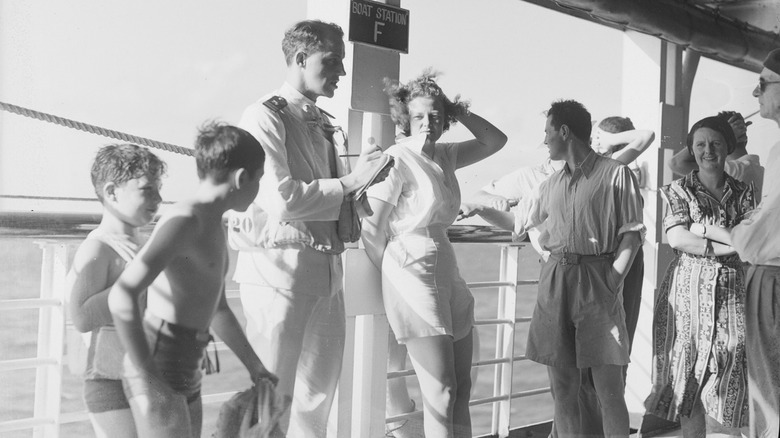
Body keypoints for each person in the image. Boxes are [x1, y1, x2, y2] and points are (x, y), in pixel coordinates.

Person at [234, 19, 391, 437]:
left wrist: (364, 178)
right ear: (301, 59)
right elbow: (282, 199)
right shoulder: (263, 116)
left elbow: (336, 202)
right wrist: (352, 181)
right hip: (279, 275)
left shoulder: (325, 122)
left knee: (315, 404)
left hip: (326, 275)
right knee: (272, 398)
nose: (341, 71)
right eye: (333, 61)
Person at [361, 71, 507, 438]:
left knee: (460, 390)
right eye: (419, 117)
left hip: (446, 267)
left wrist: (457, 108)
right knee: (440, 393)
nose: (428, 124)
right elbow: (372, 229)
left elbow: (495, 140)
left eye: (437, 116)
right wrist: (393, 275)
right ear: (404, 121)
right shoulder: (396, 158)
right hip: (411, 269)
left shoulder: (445, 154)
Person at [108, 122, 277, 438]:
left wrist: (255, 367)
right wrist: (150, 378)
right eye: (259, 181)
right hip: (158, 362)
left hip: (188, 366)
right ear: (242, 178)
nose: (259, 191)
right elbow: (122, 294)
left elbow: (219, 309)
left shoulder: (213, 222)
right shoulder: (186, 220)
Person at [509, 100, 644, 437]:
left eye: (547, 132)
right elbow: (517, 222)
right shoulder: (551, 184)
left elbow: (632, 235)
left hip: (597, 280)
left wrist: (612, 280)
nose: (545, 141)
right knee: (563, 390)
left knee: (608, 390)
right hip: (556, 281)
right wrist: (475, 208)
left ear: (565, 132)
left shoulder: (616, 174)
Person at [644, 116, 755, 437]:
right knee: (687, 378)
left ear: (727, 148)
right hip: (687, 295)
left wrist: (703, 230)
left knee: (733, 375)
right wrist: (729, 242)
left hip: (734, 295)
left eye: (716, 143)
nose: (708, 150)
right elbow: (678, 239)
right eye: (701, 144)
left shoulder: (744, 192)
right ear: (692, 150)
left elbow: (748, 243)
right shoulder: (678, 189)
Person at [66, 144, 165, 438]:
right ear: (111, 192)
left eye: (159, 189)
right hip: (109, 382)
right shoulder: (99, 248)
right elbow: (82, 317)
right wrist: (139, 274)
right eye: (147, 190)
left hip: (146, 373)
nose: (159, 199)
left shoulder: (144, 245)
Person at [731, 47, 780, 438]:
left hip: (773, 281)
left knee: (768, 392)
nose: (755, 94)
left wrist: (733, 230)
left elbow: (756, 238)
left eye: (761, 84)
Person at [668, 110, 764, 200]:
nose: (708, 149)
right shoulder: (760, 171)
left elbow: (676, 163)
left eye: (714, 140)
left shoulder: (732, 171)